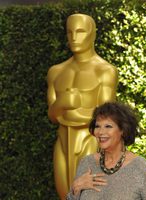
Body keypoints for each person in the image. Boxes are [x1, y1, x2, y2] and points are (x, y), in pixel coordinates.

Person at [47, 14, 118, 199]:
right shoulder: (56, 72)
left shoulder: (104, 71)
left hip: (91, 140)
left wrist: (74, 111)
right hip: (63, 141)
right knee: (64, 193)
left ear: (92, 34)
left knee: (88, 194)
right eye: (70, 32)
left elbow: (106, 120)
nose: (74, 38)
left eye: (80, 31)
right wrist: (63, 103)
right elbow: (52, 116)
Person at [66, 102, 146, 200]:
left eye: (108, 126)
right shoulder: (86, 163)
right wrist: (75, 189)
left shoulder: (140, 167)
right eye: (98, 126)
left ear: (123, 130)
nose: (101, 132)